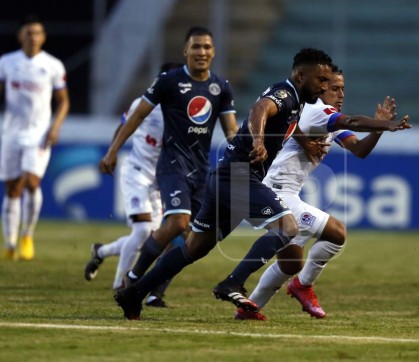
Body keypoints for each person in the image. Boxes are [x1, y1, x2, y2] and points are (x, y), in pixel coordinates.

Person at [113, 47, 335, 320]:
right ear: (301, 76)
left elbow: (283, 121)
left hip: (225, 177)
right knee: (287, 226)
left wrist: (302, 141)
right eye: (321, 80)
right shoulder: (286, 93)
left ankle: (133, 292)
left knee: (194, 248)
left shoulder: (297, 100)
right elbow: (259, 109)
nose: (325, 87)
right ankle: (233, 281)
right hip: (238, 176)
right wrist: (257, 140)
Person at [235, 66, 412, 320]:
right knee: (337, 232)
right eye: (334, 89)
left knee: (290, 264)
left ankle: (248, 309)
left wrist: (378, 129)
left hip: (286, 193)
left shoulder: (325, 117)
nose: (340, 94)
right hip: (277, 192)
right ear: (320, 89)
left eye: (343, 89)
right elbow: (351, 121)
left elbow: (359, 150)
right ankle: (303, 286)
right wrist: (385, 124)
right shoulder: (319, 111)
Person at [98, 26, 238, 294]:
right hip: (172, 164)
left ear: (214, 51)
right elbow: (137, 116)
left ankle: (152, 289)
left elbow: (231, 131)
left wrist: (247, 156)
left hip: (200, 169)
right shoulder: (168, 81)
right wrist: (113, 150)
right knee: (177, 222)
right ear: (185, 50)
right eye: (196, 46)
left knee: (195, 239)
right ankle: (133, 277)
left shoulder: (220, 87)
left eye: (207, 47)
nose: (202, 52)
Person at [84, 63, 183, 307]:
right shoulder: (144, 103)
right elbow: (124, 124)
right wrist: (112, 151)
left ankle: (101, 252)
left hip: (161, 180)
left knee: (152, 237)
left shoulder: (182, 110)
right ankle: (120, 285)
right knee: (141, 231)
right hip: (136, 171)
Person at [0, 15, 70, 260]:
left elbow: (63, 102)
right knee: (12, 188)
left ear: (43, 37)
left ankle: (27, 235)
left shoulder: (52, 65)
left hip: (39, 133)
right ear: (21, 36)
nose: (32, 37)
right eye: (28, 33)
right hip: (10, 132)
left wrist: (55, 127)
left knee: (31, 182)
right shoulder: (7, 63)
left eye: (37, 33)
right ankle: (9, 243)